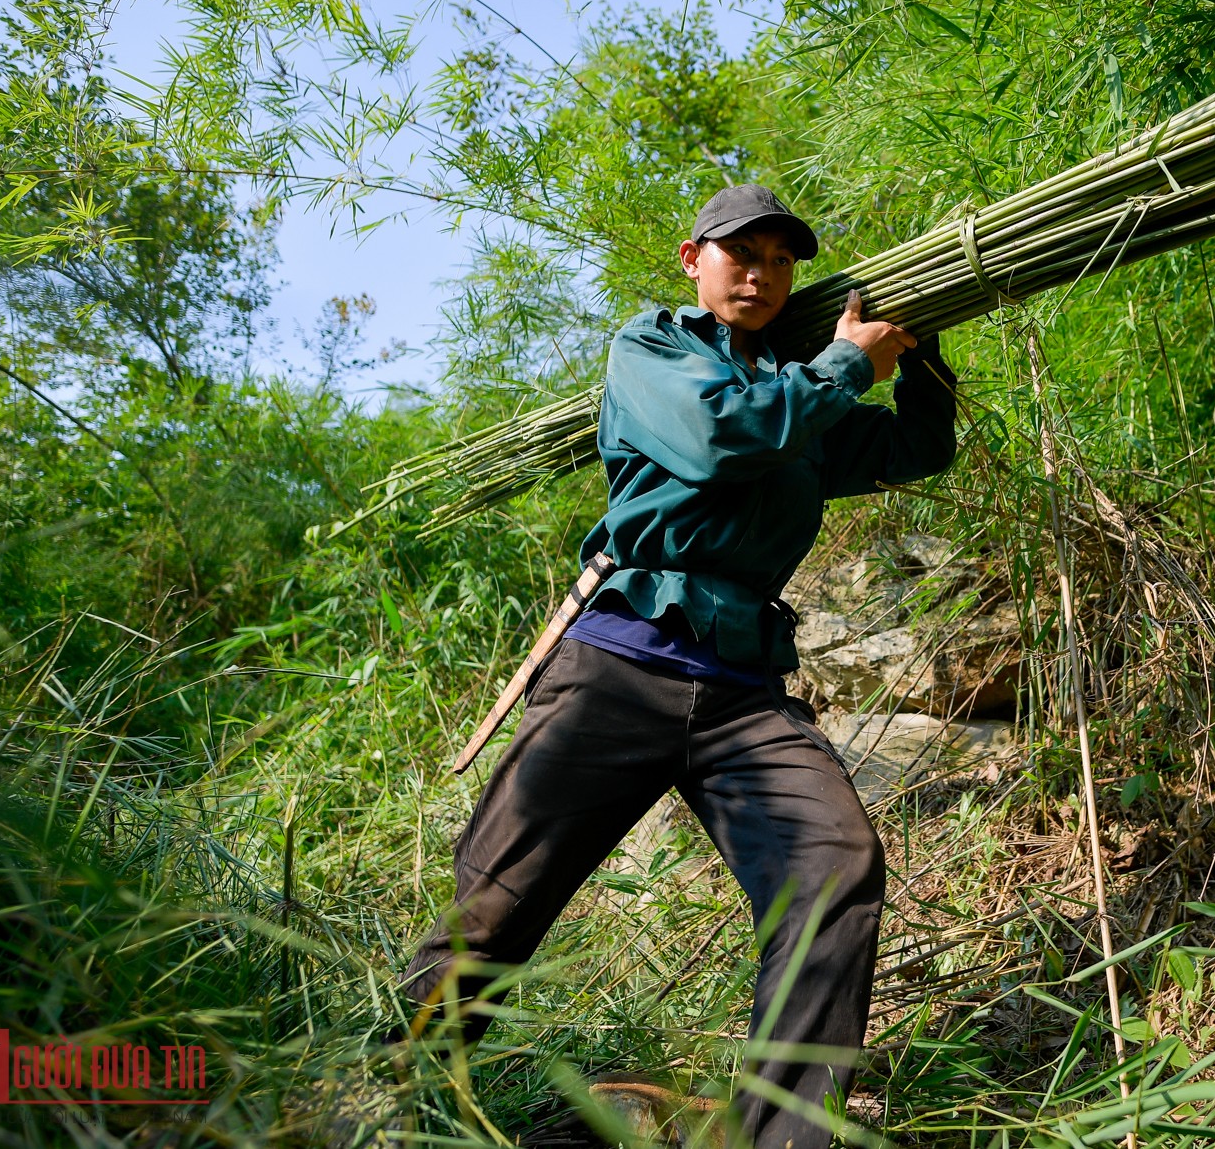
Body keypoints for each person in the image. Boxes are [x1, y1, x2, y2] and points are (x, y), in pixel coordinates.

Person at [401, 183, 958, 1149]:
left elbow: (918, 446)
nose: (763, 272)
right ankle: (388, 1102)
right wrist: (837, 368)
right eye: (742, 252)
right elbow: (718, 437)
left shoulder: (797, 391)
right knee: (498, 898)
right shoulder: (653, 350)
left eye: (783, 259)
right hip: (619, 663)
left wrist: (922, 344)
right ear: (692, 259)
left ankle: (777, 1133)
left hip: (743, 691)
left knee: (835, 864)